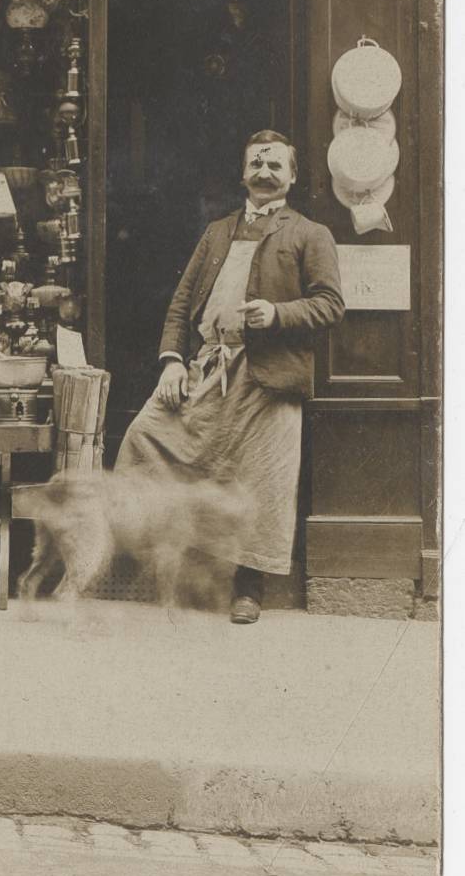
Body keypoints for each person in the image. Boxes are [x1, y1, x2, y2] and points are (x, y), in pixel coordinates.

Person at [115, 130, 344, 623]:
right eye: (256, 164)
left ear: (293, 176)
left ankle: (248, 588)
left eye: (275, 166)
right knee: (146, 437)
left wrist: (277, 314)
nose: (264, 173)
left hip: (269, 377)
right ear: (243, 172)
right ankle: (161, 565)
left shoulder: (309, 233)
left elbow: (330, 304)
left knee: (260, 481)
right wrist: (172, 362)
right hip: (209, 368)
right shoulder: (217, 231)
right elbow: (180, 305)